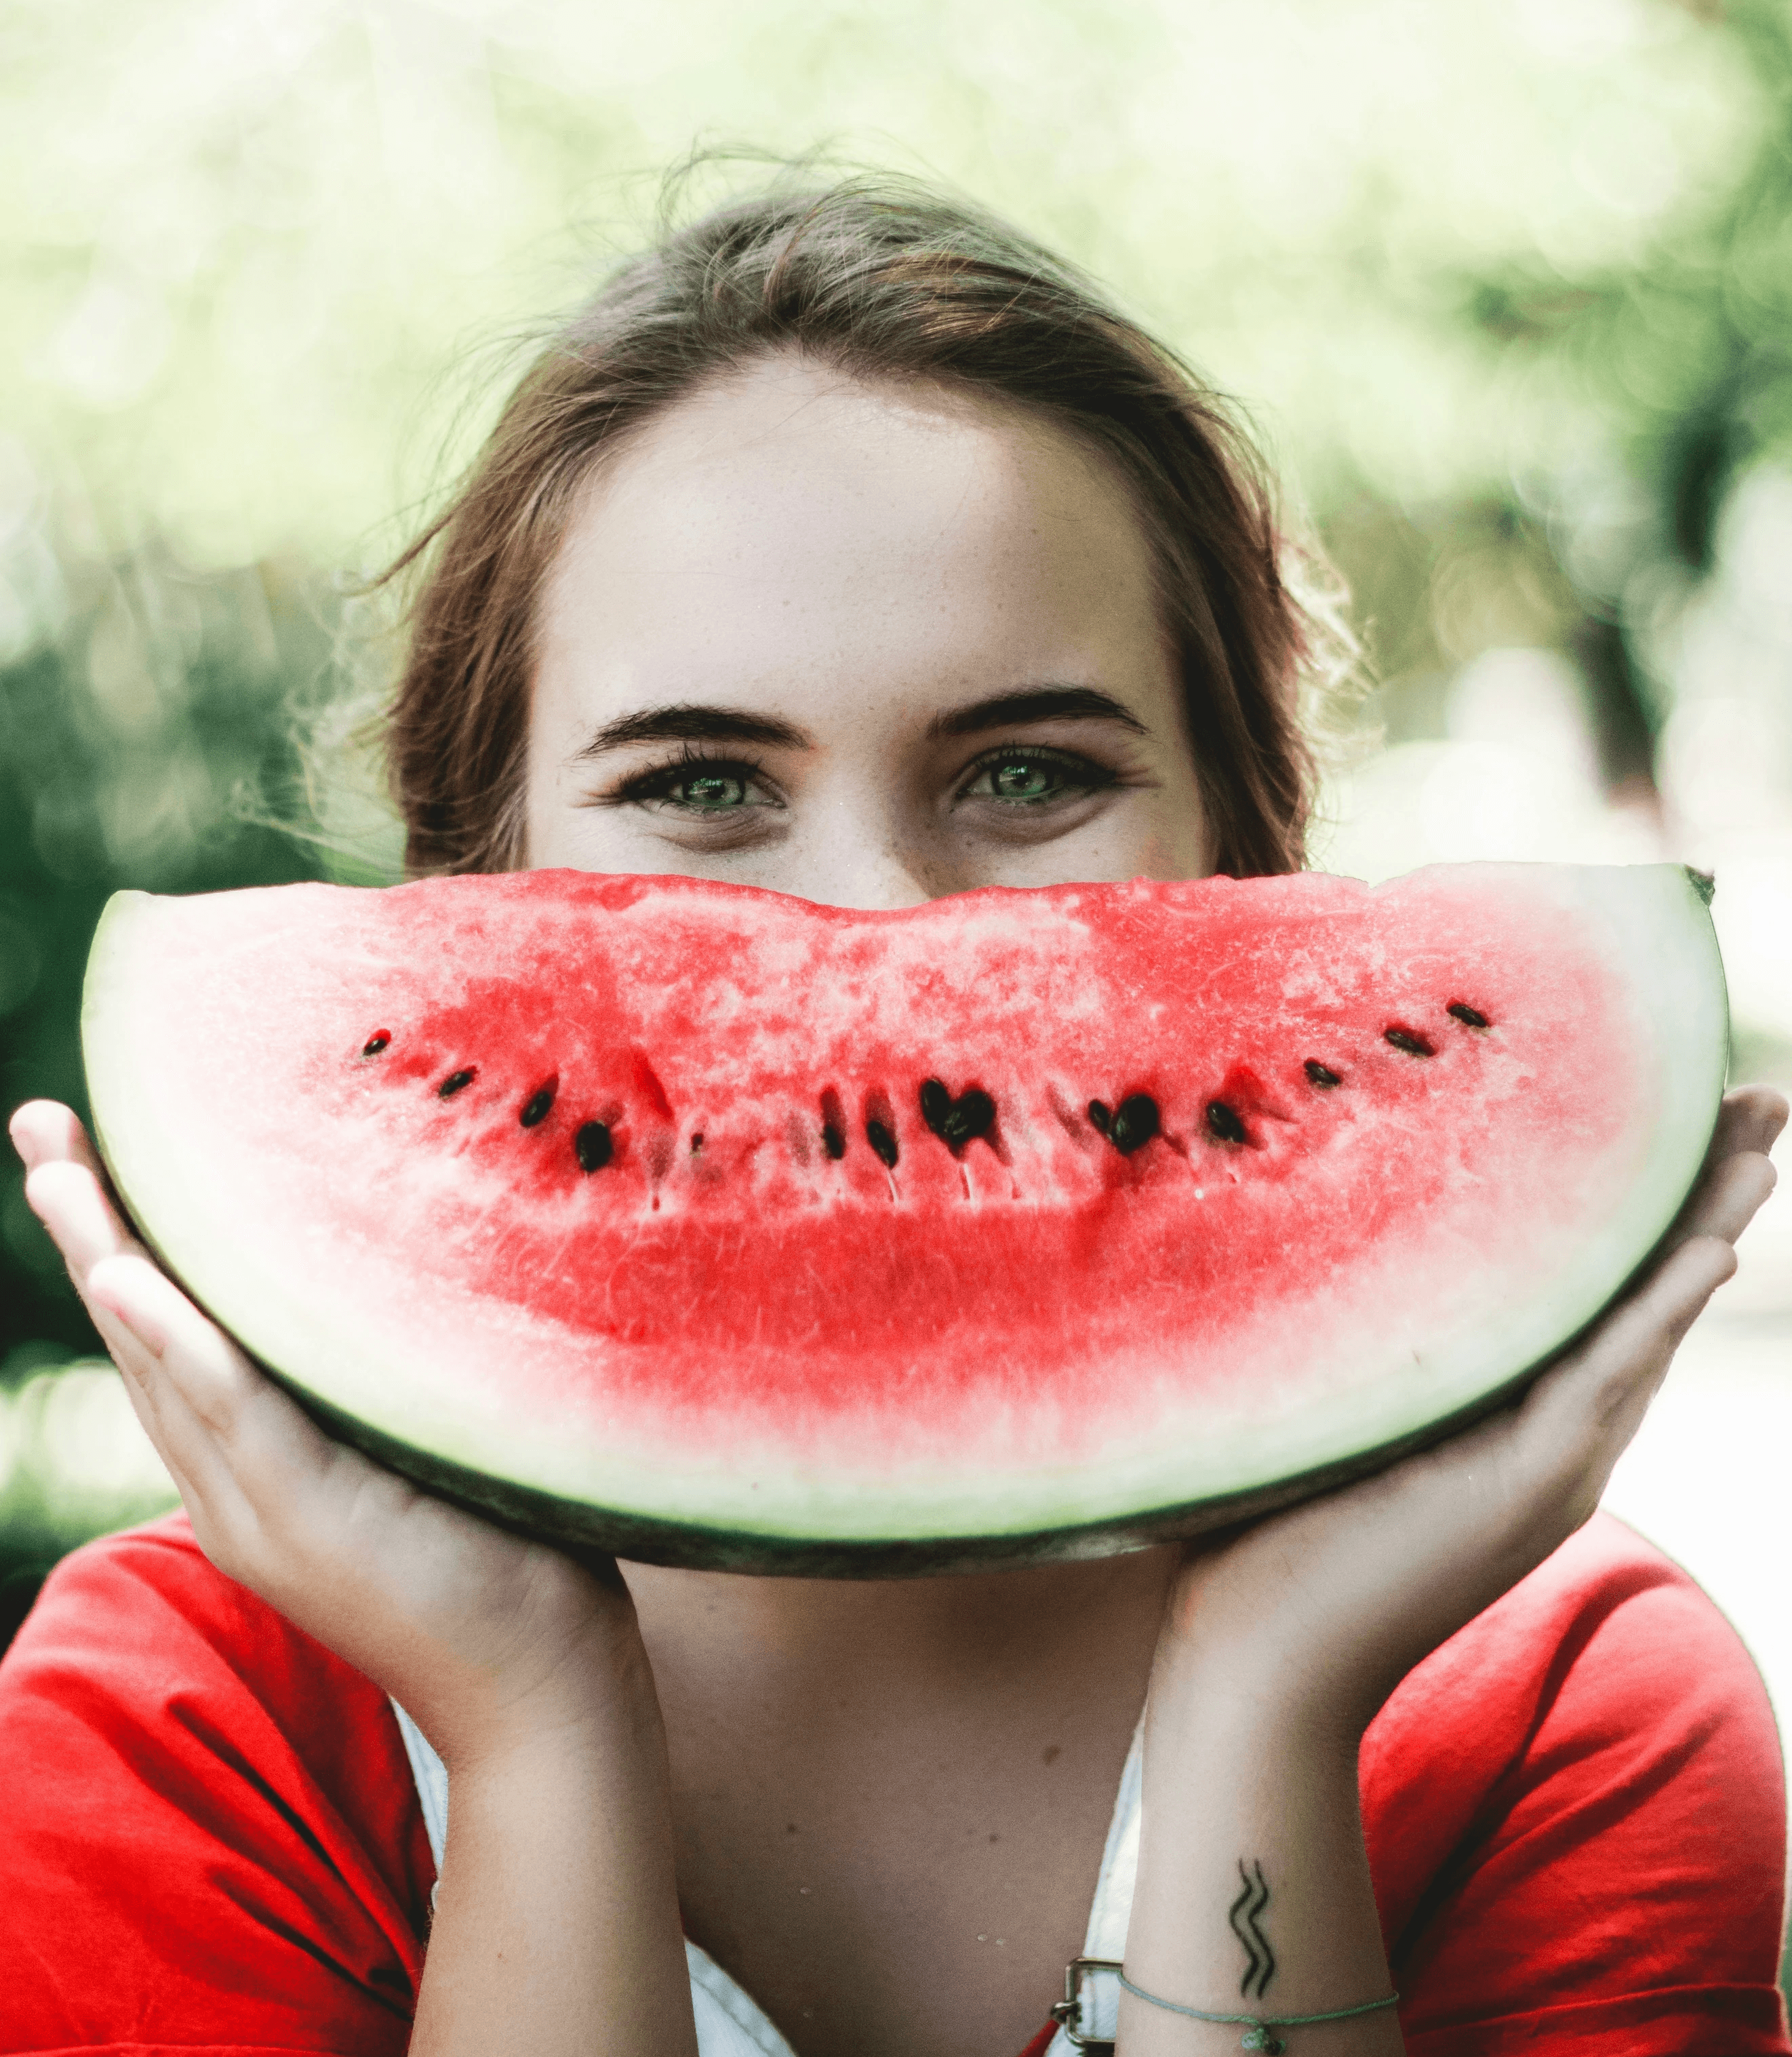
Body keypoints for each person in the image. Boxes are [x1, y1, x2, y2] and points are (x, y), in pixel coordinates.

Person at [4, 174, 1788, 2057]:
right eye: (700, 783)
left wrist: (1269, 1697)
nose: (876, 932)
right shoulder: (195, 1719)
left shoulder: (1562, 1713)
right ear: (476, 888)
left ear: (1248, 863)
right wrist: (533, 1737)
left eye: (1029, 771)